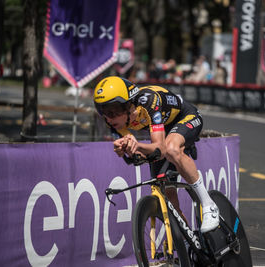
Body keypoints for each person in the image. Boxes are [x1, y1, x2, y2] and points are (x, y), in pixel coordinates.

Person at [93, 76, 219, 233]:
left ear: (128, 105)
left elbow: (161, 148)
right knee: (169, 202)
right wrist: (125, 149)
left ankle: (209, 205)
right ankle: (188, 248)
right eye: (103, 111)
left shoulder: (149, 102)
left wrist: (138, 145)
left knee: (172, 149)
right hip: (163, 130)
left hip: (186, 117)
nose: (109, 118)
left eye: (113, 111)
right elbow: (140, 153)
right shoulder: (113, 121)